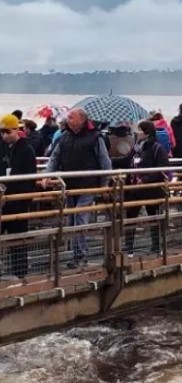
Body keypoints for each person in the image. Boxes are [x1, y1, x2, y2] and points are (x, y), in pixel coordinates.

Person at [44, 108, 112, 268]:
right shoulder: (64, 136)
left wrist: (104, 184)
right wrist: (47, 174)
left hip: (88, 184)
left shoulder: (95, 137)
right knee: (71, 219)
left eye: (71, 117)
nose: (68, 120)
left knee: (80, 217)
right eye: (68, 117)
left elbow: (105, 162)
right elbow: (55, 157)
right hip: (70, 184)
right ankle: (77, 253)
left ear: (81, 120)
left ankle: (80, 255)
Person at [124, 121, 170, 256]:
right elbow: (126, 160)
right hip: (134, 189)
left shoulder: (156, 148)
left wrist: (146, 179)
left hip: (151, 190)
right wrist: (110, 161)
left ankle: (156, 246)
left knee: (153, 217)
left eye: (139, 130)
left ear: (146, 133)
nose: (136, 133)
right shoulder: (136, 148)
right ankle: (129, 248)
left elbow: (163, 168)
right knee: (130, 218)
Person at [0, 114, 37, 279]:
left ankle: (20, 273)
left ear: (16, 130)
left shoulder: (27, 149)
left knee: (19, 240)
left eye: (7, 131)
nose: (4, 135)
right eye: (2, 132)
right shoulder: (2, 147)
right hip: (3, 200)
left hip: (18, 201)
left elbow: (30, 178)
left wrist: (23, 200)